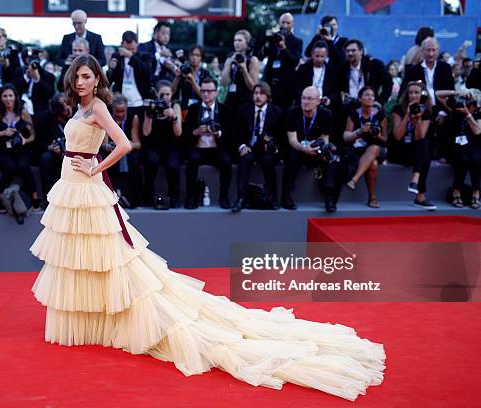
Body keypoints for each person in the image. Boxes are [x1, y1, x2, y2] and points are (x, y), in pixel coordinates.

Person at [29, 54, 386, 402]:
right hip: (71, 186)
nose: (81, 82)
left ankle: (120, 322)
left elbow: (123, 144)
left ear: (98, 80)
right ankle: (94, 322)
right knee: (80, 257)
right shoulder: (78, 108)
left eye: (87, 77)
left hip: (87, 186)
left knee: (109, 258)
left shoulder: (99, 108)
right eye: (77, 77)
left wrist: (93, 167)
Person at [281, 86, 341, 213]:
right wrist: (304, 148)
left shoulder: (326, 114)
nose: (305, 102)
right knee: (291, 156)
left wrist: (317, 147)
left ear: (318, 101)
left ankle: (329, 197)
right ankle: (286, 196)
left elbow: (325, 139)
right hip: (298, 148)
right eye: (303, 98)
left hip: (316, 148)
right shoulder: (292, 112)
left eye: (309, 99)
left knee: (329, 158)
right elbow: (292, 140)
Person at [0, 84, 40, 213]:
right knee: (10, 166)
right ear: (1, 98)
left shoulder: (23, 112)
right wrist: (3, 132)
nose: (8, 99)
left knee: (23, 166)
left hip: (21, 149)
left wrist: (25, 139)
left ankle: (35, 199)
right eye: (5, 96)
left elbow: (33, 135)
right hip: (2, 150)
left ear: (15, 97)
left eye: (10, 96)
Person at [182, 77, 234, 209]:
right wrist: (195, 132)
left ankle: (224, 197)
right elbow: (185, 133)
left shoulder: (225, 109)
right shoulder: (193, 109)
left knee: (227, 161)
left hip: (217, 148)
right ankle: (191, 197)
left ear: (216, 92)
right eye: (203, 90)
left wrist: (219, 133)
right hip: (198, 148)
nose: (205, 94)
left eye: (209, 91)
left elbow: (231, 133)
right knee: (191, 160)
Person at [232, 82, 283, 213]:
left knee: (267, 161)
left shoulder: (276, 112)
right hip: (249, 147)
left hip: (266, 149)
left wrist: (272, 146)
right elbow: (236, 132)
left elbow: (280, 136)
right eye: (255, 93)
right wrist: (242, 145)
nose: (258, 96)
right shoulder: (244, 110)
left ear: (268, 96)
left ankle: (273, 197)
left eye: (261, 93)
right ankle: (241, 198)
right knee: (245, 158)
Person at [390, 81, 435, 210]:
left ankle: (415, 180)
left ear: (422, 95)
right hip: (399, 150)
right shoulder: (398, 109)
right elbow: (398, 136)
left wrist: (418, 119)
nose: (413, 95)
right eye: (410, 92)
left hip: (415, 151)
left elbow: (420, 137)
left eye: (416, 92)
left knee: (424, 144)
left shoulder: (426, 111)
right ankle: (420, 196)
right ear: (406, 95)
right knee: (424, 154)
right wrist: (407, 115)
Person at [343, 86, 388, 208]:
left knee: (373, 148)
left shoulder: (381, 114)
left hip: (378, 150)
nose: (370, 98)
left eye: (372, 95)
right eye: (366, 95)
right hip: (359, 150)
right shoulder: (353, 114)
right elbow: (346, 136)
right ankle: (372, 197)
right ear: (360, 99)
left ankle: (355, 179)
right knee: (372, 164)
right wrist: (360, 131)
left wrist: (378, 136)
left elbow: (385, 139)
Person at [142, 79, 182, 208]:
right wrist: (149, 114)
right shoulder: (151, 107)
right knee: (152, 161)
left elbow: (178, 133)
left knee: (173, 165)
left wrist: (174, 118)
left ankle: (174, 198)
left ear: (172, 95)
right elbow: (146, 133)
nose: (165, 97)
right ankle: (148, 196)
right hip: (153, 146)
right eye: (162, 95)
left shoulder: (175, 107)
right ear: (157, 95)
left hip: (170, 146)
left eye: (168, 94)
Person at [262, 13, 302, 109]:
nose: (285, 25)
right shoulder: (273, 39)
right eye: (283, 22)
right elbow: (264, 54)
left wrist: (284, 48)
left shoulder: (297, 41)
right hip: (271, 84)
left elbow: (294, 62)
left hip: (287, 87)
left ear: (292, 24)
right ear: (279, 23)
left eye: (288, 23)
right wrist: (267, 39)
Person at [221, 30, 260, 116]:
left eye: (240, 40)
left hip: (246, 101)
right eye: (235, 40)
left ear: (247, 43)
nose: (236, 43)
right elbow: (223, 83)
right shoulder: (229, 59)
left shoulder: (252, 60)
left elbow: (253, 87)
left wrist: (244, 69)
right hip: (230, 101)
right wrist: (229, 65)